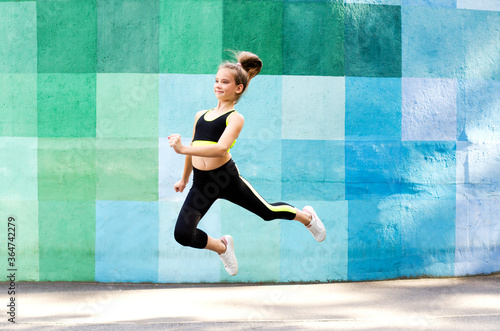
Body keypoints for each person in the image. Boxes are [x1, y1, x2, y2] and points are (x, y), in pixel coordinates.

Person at [168, 51, 326, 276]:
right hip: (201, 183)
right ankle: (222, 247)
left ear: (238, 88)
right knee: (183, 234)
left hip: (226, 179)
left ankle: (307, 218)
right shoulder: (200, 115)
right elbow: (193, 149)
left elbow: (220, 148)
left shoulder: (235, 118)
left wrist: (183, 147)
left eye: (225, 82)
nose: (218, 85)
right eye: (216, 81)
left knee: (268, 211)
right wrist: (184, 178)